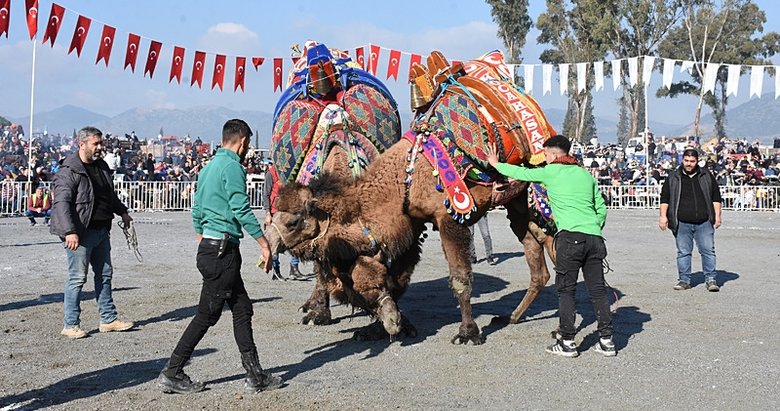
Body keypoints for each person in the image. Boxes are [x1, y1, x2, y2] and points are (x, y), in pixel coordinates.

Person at [157, 119, 282, 394]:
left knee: (242, 309)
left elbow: (197, 208)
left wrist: (203, 235)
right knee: (206, 315)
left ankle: (255, 374)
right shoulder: (232, 167)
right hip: (223, 251)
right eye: (248, 144)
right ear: (241, 141)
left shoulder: (209, 167)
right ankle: (172, 371)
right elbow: (240, 208)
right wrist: (264, 243)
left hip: (213, 249)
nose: (248, 150)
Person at [486, 135, 615, 358]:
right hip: (594, 239)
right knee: (597, 291)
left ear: (555, 155)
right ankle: (607, 341)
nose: (543, 158)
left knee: (566, 290)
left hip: (570, 238)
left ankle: (567, 343)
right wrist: (595, 225)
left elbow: (522, 174)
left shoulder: (551, 171)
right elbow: (601, 206)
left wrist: (496, 163)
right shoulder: (585, 175)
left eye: (545, 154)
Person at [49, 126, 135, 339]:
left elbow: (109, 196)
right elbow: (61, 203)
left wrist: (122, 211)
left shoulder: (102, 166)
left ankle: (108, 319)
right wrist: (70, 231)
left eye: (100, 143)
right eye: (95, 144)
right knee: (77, 278)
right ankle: (70, 324)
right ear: (82, 144)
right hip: (80, 233)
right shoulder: (69, 170)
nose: (99, 148)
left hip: (101, 230)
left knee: (105, 275)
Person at [659, 148, 722, 292]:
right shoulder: (674, 177)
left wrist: (718, 216)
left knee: (708, 251)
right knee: (683, 252)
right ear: (682, 160)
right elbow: (665, 198)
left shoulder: (706, 175)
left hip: (704, 221)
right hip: (681, 222)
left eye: (692, 161)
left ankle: (711, 279)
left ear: (697, 161)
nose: (689, 164)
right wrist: (663, 216)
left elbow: (716, 196)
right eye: (686, 161)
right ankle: (684, 280)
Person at [261, 160, 305, 280]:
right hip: (275, 212)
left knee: (296, 239)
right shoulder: (271, 173)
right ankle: (275, 270)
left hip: (289, 212)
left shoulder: (293, 172)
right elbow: (266, 194)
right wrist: (267, 213)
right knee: (274, 242)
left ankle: (294, 268)